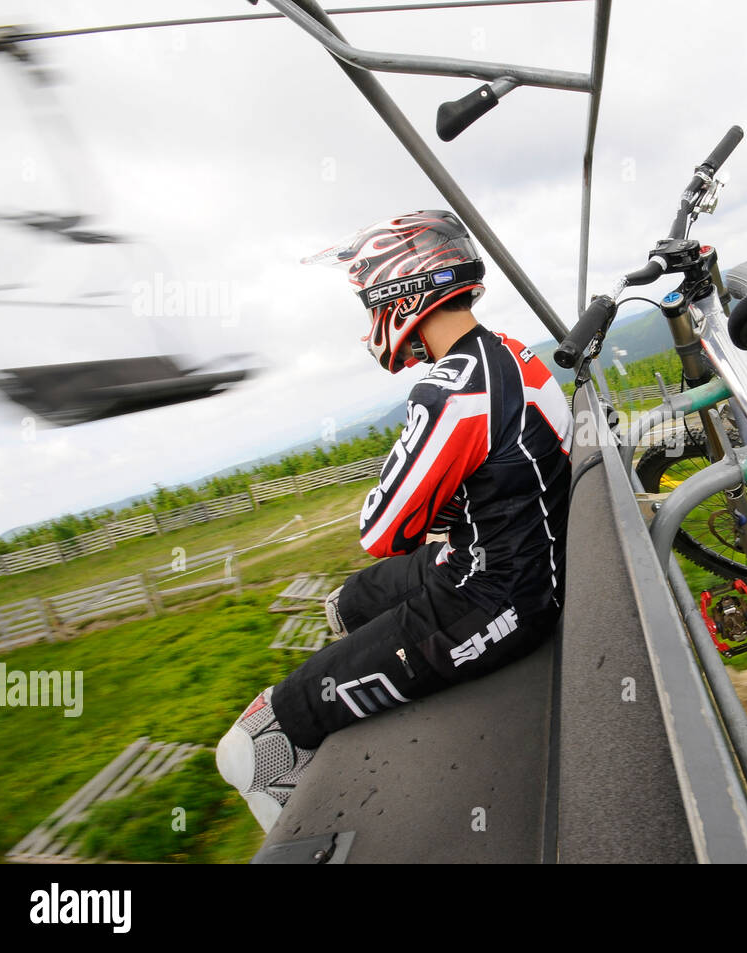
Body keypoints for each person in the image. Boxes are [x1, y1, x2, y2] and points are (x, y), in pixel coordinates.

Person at [216, 211, 573, 832]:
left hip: (493, 598)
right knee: (349, 603)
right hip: (514, 565)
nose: (369, 323)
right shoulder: (511, 354)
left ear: (401, 292)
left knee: (249, 747)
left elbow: (382, 531)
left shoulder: (454, 388)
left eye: (367, 303)